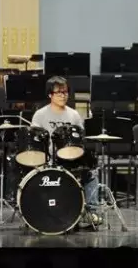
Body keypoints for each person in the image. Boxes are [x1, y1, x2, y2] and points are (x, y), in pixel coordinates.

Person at [30, 76, 102, 227]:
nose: (63, 95)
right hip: (49, 159)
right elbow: (34, 140)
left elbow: (80, 139)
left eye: (65, 92)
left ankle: (91, 212)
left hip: (71, 159)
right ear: (50, 94)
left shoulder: (74, 114)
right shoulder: (40, 115)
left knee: (91, 172)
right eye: (59, 92)